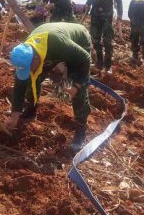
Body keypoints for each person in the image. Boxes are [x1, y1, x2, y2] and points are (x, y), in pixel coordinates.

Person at [5, 22, 92, 152]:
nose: (28, 71)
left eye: (29, 68)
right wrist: (14, 116)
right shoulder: (25, 53)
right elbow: (19, 86)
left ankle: (81, 128)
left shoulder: (58, 45)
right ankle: (31, 111)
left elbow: (85, 59)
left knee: (76, 91)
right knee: (32, 78)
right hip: (51, 47)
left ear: (36, 59)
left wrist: (77, 85)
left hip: (78, 43)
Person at [84, 0, 123, 74]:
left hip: (107, 13)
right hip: (95, 13)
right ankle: (99, 62)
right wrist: (88, 3)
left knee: (107, 41)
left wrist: (120, 13)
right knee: (95, 39)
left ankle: (108, 65)